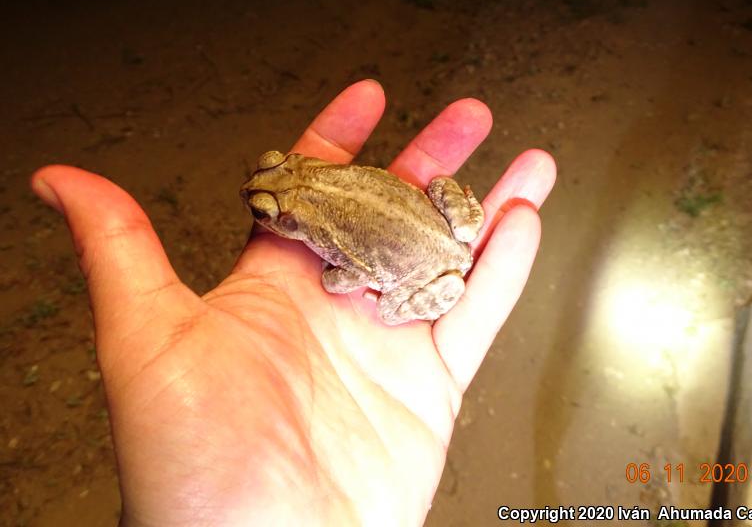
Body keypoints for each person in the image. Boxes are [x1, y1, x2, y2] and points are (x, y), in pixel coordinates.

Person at [31, 80, 556, 526]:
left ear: (289, 221)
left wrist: (342, 273)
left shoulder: (322, 232)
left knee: (391, 307)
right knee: (439, 186)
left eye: (264, 208)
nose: (255, 196)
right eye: (269, 176)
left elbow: (342, 277)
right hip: (449, 229)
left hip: (432, 267)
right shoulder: (326, 179)